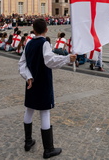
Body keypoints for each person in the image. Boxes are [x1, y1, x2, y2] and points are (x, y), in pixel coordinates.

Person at [18, 18, 76, 159]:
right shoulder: (44, 43)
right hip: (43, 81)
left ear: (33, 29)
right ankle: (48, 149)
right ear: (46, 29)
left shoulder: (29, 43)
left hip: (31, 81)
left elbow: (22, 63)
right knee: (44, 112)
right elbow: (50, 61)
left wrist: (28, 77)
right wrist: (67, 58)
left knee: (29, 109)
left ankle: (28, 141)